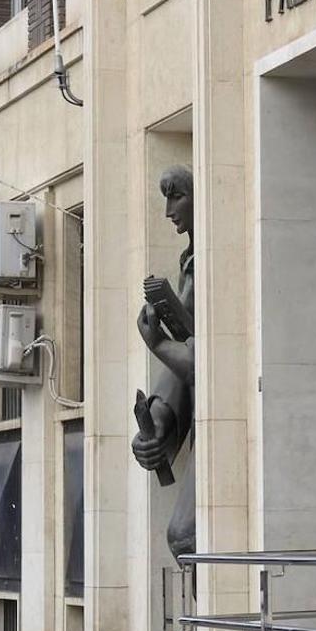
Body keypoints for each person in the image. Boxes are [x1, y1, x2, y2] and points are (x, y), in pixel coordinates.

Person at [131, 165, 197, 557]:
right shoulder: (190, 261)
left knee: (186, 536)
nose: (169, 210)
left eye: (177, 196)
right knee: (184, 538)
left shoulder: (216, 259)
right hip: (204, 407)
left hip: (238, 417)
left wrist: (157, 343)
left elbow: (204, 363)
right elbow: (189, 357)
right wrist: (158, 422)